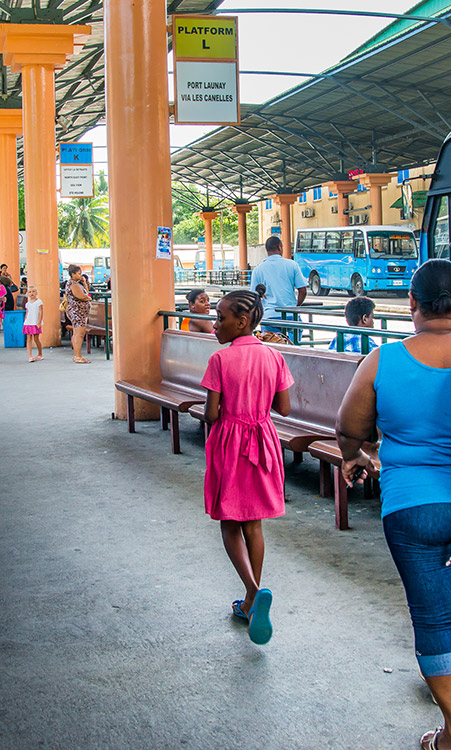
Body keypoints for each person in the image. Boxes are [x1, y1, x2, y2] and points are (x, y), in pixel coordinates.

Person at [335, 259, 451, 750]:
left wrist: (354, 457)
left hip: (412, 511)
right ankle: (446, 666)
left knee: (431, 616)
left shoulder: (382, 360)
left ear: (412, 303)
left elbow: (349, 428)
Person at [200, 289, 292, 646]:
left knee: (229, 522)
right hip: (263, 441)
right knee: (253, 524)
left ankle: (253, 592)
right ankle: (252, 601)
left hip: (230, 441)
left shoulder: (220, 360)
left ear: (241, 322)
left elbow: (211, 414)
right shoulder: (274, 356)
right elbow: (284, 408)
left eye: (220, 318)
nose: (215, 324)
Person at [250, 235, 306, 332]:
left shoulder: (258, 270)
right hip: (291, 315)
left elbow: (254, 296)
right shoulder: (292, 265)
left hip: (269, 316)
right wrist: (296, 306)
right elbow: (303, 290)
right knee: (294, 339)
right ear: (279, 247)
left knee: (272, 342)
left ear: (267, 250)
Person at [64, 264, 92, 364]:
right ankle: (77, 356)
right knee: (79, 334)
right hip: (77, 311)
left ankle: (77, 355)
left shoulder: (76, 283)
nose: (81, 276)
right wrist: (88, 298)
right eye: (79, 274)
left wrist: (84, 283)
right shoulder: (73, 284)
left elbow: (85, 293)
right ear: (73, 274)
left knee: (77, 333)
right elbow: (81, 296)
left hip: (79, 312)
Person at [22, 284, 45, 362]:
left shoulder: (39, 302)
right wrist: (25, 321)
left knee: (36, 338)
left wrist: (39, 322)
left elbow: (41, 312)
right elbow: (27, 313)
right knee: (28, 339)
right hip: (28, 322)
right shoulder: (27, 304)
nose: (32, 293)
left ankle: (40, 353)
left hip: (35, 322)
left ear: (36, 292)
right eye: (30, 292)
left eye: (33, 291)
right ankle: (30, 356)